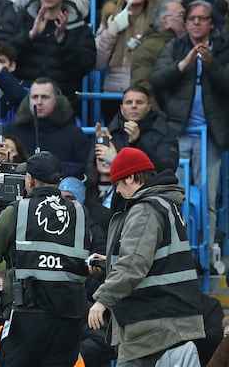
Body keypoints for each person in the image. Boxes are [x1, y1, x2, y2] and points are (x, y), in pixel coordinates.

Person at [87, 147, 204, 367]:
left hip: (152, 326)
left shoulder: (145, 210)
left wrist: (102, 300)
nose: (118, 192)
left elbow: (134, 265)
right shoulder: (166, 204)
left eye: (118, 184)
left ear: (131, 177)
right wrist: (108, 263)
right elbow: (156, 261)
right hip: (169, 321)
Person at [0, 152, 89, 367]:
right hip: (70, 314)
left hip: (28, 313)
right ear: (59, 180)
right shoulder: (80, 212)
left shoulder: (19, 210)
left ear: (30, 180)